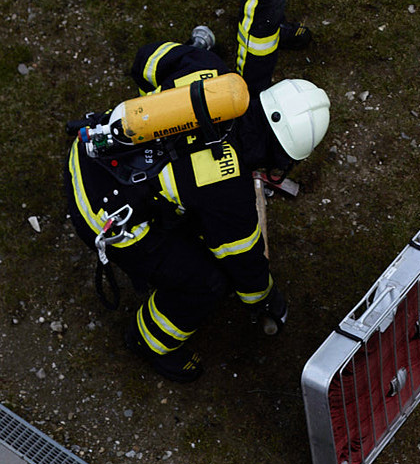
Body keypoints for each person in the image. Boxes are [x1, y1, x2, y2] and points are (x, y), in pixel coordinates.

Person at [66, 27, 331, 381]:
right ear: (281, 154)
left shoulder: (210, 71)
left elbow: (147, 59)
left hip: (88, 149)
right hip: (101, 214)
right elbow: (243, 261)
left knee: (189, 216)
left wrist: (158, 114)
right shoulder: (228, 190)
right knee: (204, 283)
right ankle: (148, 342)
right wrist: (266, 299)